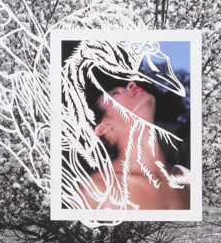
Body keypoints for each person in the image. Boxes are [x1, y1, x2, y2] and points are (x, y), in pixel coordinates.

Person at [78, 80, 194, 212]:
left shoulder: (189, 180)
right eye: (115, 94)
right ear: (104, 127)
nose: (131, 83)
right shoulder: (95, 191)